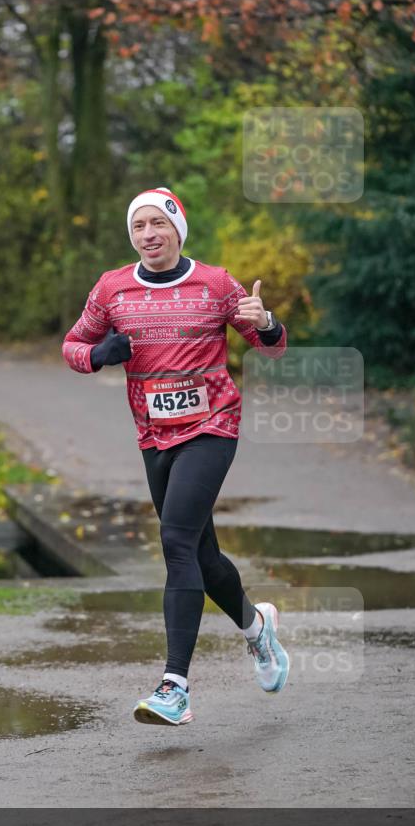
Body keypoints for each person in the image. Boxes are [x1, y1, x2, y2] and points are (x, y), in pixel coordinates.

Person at [62, 187, 290, 726]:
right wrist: (98, 355)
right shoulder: (112, 288)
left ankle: (175, 687)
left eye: (158, 224)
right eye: (139, 226)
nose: (148, 234)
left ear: (177, 230)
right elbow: (72, 347)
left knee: (175, 541)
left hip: (213, 425)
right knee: (203, 558)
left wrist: (264, 323)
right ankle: (258, 629)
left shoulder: (213, 283)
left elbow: (272, 347)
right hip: (153, 435)